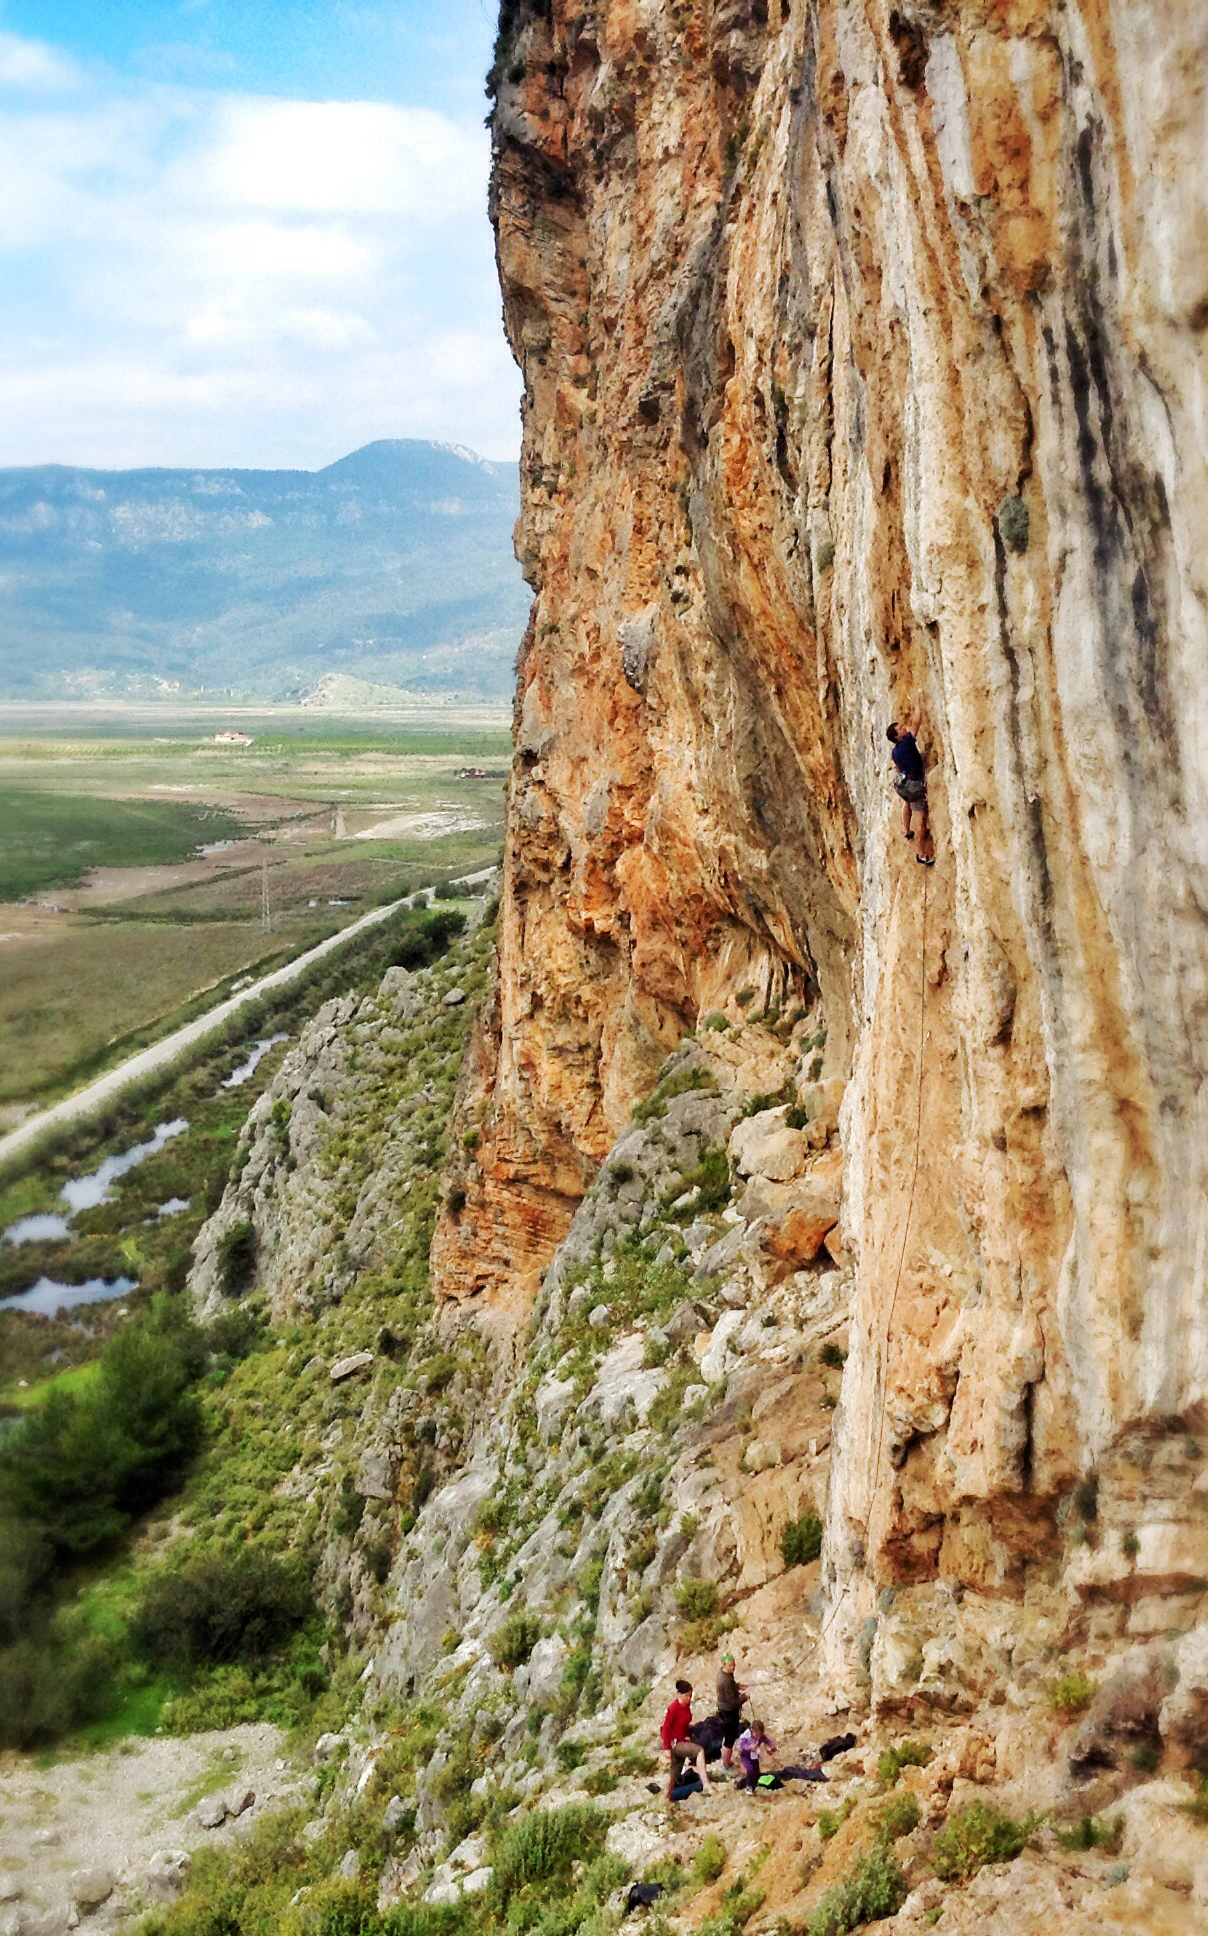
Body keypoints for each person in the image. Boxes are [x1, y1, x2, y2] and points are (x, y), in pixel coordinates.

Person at [887, 719, 934, 865]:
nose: (904, 727)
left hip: (902, 784)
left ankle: (907, 831)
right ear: (898, 736)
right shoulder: (907, 741)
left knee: (907, 802)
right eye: (901, 728)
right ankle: (921, 854)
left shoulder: (894, 752)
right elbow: (917, 723)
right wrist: (919, 703)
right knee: (921, 819)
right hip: (914, 784)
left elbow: (898, 769)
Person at [660, 1678, 712, 1799]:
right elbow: (666, 1728)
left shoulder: (686, 1706)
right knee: (699, 1751)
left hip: (683, 1739)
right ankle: (706, 1784)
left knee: (675, 1769)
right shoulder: (673, 1708)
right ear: (679, 1694)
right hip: (676, 1743)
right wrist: (666, 1747)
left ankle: (668, 1795)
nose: (689, 1698)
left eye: (690, 1695)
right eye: (686, 1695)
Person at [716, 1650, 747, 1769]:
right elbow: (733, 1703)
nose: (733, 1667)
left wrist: (737, 1686)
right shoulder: (725, 1681)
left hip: (724, 1710)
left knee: (728, 1736)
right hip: (729, 1712)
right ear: (724, 1665)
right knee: (730, 1739)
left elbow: (731, 1684)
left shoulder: (724, 1674)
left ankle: (725, 1761)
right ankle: (726, 1765)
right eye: (730, 1665)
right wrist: (745, 1697)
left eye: (734, 1664)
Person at [735, 1717, 777, 1792]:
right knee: (750, 1770)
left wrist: (772, 1747)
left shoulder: (760, 1736)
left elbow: (767, 1740)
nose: (758, 1737)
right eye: (756, 1735)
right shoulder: (747, 1735)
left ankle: (750, 1785)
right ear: (752, 1730)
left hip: (754, 1756)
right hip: (746, 1756)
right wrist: (749, 1747)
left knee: (756, 1771)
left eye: (759, 1735)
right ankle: (748, 1787)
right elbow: (742, 1744)